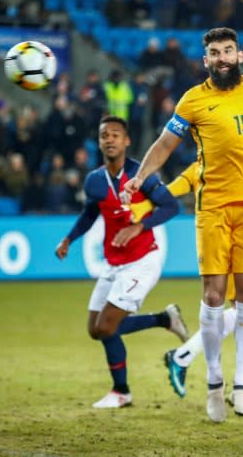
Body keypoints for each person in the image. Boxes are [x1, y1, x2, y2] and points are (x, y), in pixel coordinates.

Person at [120, 27, 243, 422]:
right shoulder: (193, 101)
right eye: (215, 53)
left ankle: (242, 384)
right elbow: (165, 144)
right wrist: (140, 178)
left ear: (240, 55)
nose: (223, 58)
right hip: (213, 208)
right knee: (214, 296)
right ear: (206, 61)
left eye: (229, 51)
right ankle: (214, 381)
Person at [128, 156, 243, 405]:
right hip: (226, 244)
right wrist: (140, 207)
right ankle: (183, 355)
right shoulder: (203, 169)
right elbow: (168, 194)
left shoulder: (233, 161)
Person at [54, 115, 189, 409]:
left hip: (142, 260)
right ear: (99, 142)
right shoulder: (94, 181)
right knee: (95, 328)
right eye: (105, 135)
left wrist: (139, 226)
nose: (110, 139)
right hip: (114, 262)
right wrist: (68, 239)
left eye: (115, 134)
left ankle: (121, 391)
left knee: (107, 327)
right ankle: (164, 319)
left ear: (126, 141)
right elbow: (90, 214)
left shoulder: (142, 176)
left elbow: (171, 206)